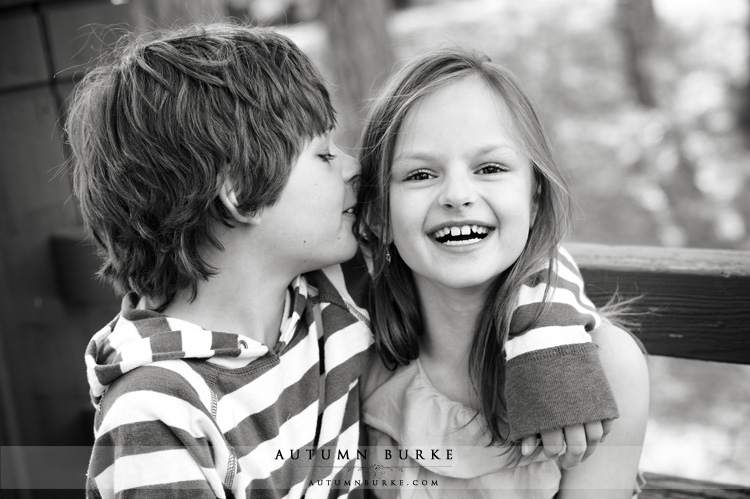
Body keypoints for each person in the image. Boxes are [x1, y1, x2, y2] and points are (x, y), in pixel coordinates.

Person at [68, 23, 372, 498]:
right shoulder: (158, 413)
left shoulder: (335, 297)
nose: (353, 166)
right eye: (324, 154)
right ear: (241, 196)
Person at [356, 47, 649, 497]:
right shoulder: (358, 356)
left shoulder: (605, 365)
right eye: (419, 175)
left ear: (534, 198)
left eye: (490, 168)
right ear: (379, 216)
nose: (457, 194)